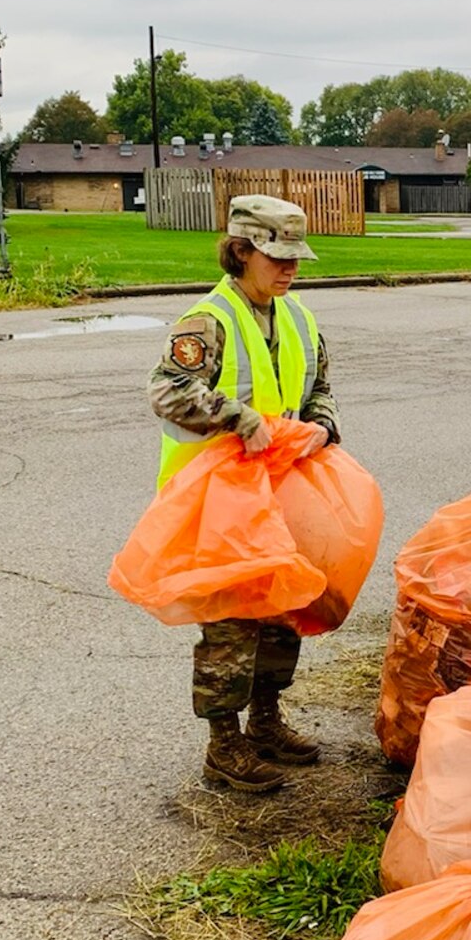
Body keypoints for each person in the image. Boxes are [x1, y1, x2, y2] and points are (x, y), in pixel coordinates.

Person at [148, 195, 341, 793]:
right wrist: (237, 416)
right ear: (241, 252)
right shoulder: (208, 321)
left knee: (284, 611)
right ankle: (224, 744)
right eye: (276, 256)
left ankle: (265, 721)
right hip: (219, 502)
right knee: (232, 621)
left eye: (295, 257)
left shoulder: (300, 319)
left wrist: (323, 426)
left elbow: (322, 389)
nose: (289, 268)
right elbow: (166, 390)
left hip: (282, 493)